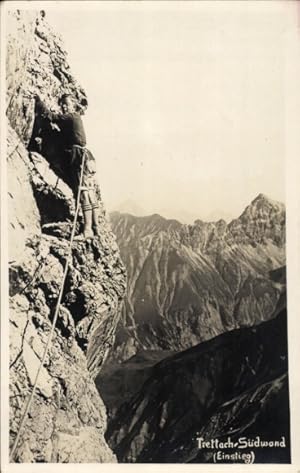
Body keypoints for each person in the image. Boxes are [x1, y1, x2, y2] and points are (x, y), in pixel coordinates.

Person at [35, 93, 100, 240]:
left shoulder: (71, 116)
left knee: (82, 192)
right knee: (89, 192)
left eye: (66, 103)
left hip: (78, 157)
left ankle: (88, 230)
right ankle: (95, 227)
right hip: (85, 156)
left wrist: (39, 101)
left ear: (73, 104)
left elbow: (51, 116)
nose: (64, 106)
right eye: (62, 104)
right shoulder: (75, 118)